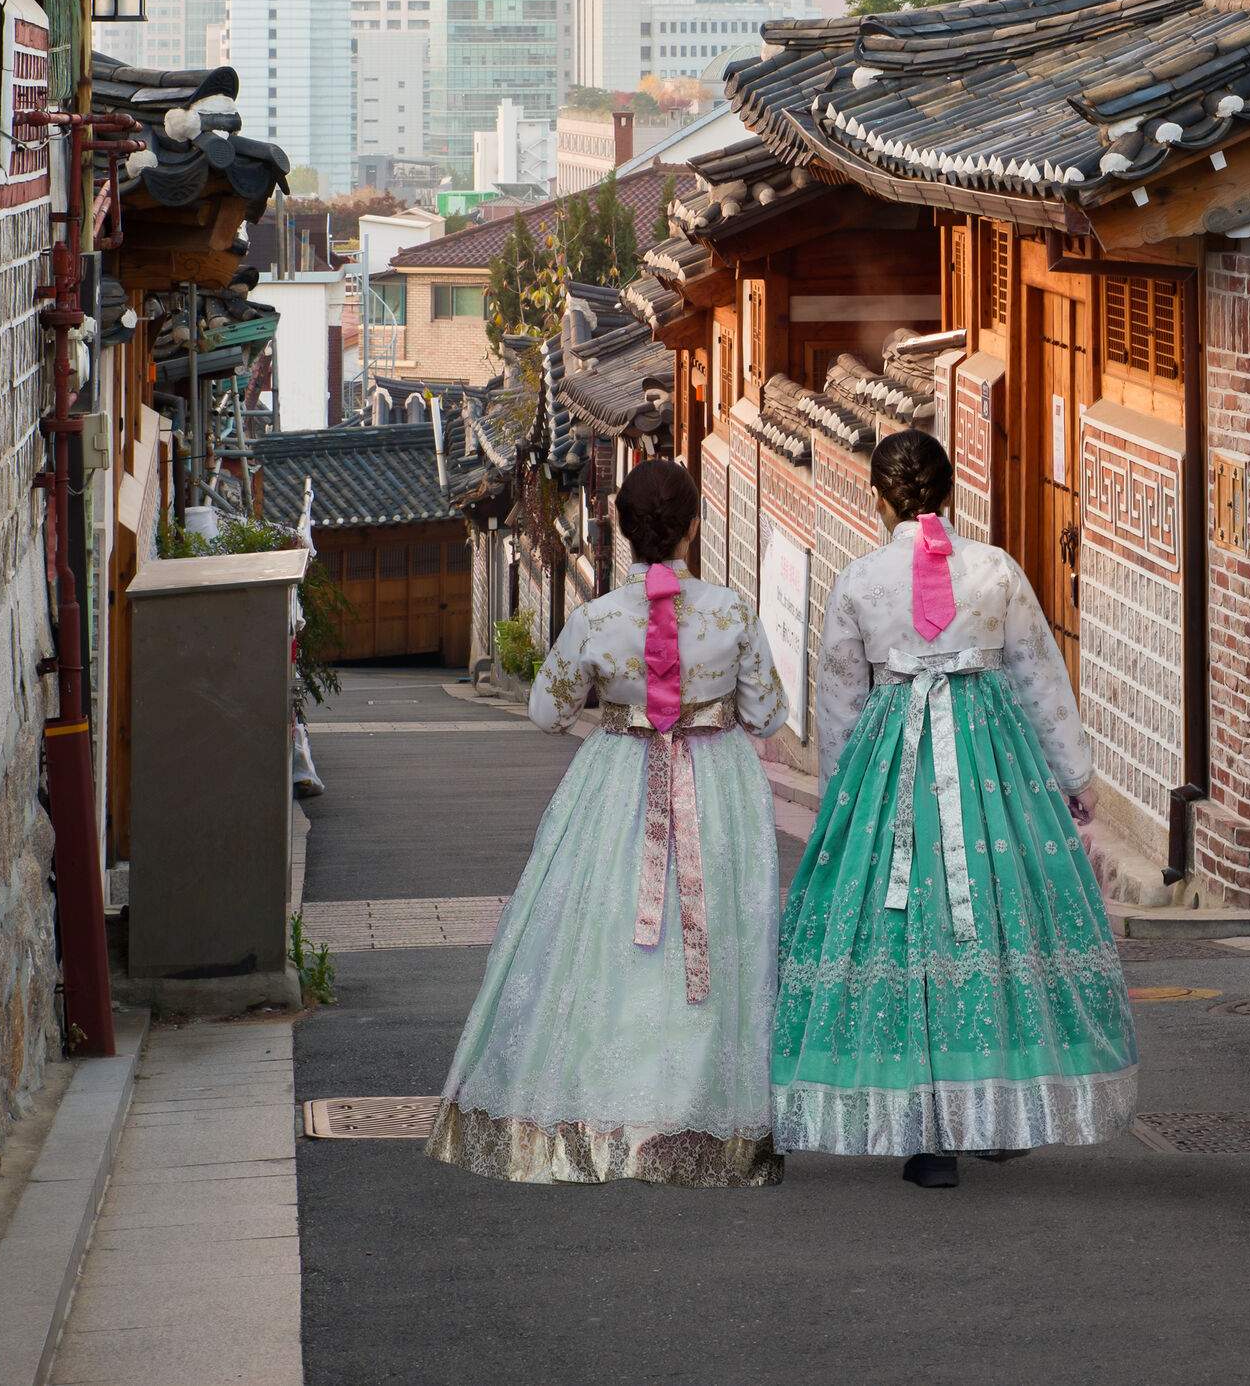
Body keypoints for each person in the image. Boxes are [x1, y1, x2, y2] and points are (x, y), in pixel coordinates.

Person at [772, 428, 1137, 1187]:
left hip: (890, 769)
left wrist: (845, 798)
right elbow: (1038, 676)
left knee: (904, 934)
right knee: (995, 925)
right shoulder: (995, 569)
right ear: (949, 490)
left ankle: (925, 1132)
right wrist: (1074, 774)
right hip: (991, 770)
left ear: (879, 498)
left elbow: (840, 696)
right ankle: (994, 1108)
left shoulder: (860, 580)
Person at [425, 457, 785, 1187]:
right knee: (712, 942)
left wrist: (617, 703)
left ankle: (600, 1115)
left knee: (607, 940)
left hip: (618, 780)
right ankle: (707, 1121)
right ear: (693, 525)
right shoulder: (733, 611)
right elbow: (768, 714)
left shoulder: (595, 617)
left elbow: (546, 711)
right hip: (715, 784)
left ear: (622, 530)